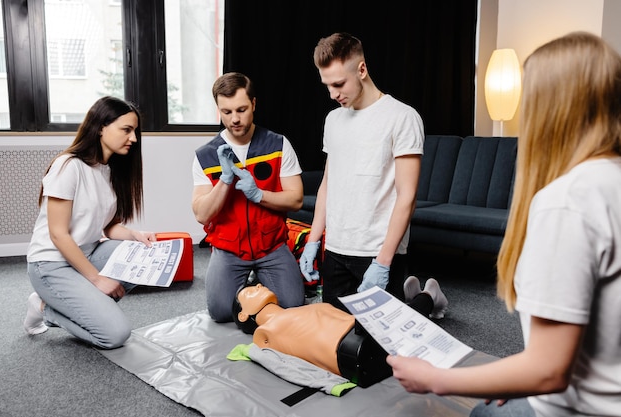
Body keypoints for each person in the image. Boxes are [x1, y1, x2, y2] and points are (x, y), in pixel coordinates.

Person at [387, 32, 621, 417]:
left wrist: (435, 378)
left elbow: (549, 371)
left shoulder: (567, 202)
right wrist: (512, 378)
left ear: (550, 108)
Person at [300, 32, 425, 311]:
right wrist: (313, 241)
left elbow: (407, 196)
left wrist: (383, 261)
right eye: (327, 86)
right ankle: (422, 297)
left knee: (381, 349)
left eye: (339, 84)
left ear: (362, 69)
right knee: (335, 344)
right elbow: (327, 184)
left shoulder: (402, 117)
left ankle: (426, 299)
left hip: (377, 253)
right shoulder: (333, 120)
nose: (333, 94)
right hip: (336, 248)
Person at [23, 96, 156, 349]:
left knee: (143, 254)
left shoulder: (109, 170)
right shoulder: (68, 166)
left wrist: (135, 235)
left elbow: (108, 226)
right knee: (115, 335)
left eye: (135, 131)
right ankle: (44, 307)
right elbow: (58, 234)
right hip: (51, 264)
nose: (134, 138)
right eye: (126, 130)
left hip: (88, 253)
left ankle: (84, 303)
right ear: (101, 127)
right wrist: (96, 279)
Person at [192, 72, 305, 323]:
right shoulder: (205, 155)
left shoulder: (278, 144)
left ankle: (258, 283)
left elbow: (296, 199)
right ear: (218, 110)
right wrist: (224, 180)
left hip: (271, 247)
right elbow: (201, 214)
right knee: (220, 312)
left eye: (241, 110)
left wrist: (258, 194)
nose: (234, 119)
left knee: (292, 307)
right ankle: (250, 287)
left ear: (254, 104)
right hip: (229, 249)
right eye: (226, 112)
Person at [233, 275, 447, 387]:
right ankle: (428, 297)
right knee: (396, 329)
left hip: (360, 330)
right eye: (251, 291)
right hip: (355, 353)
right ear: (244, 315)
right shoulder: (264, 334)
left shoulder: (292, 312)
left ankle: (417, 302)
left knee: (386, 321)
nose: (259, 285)